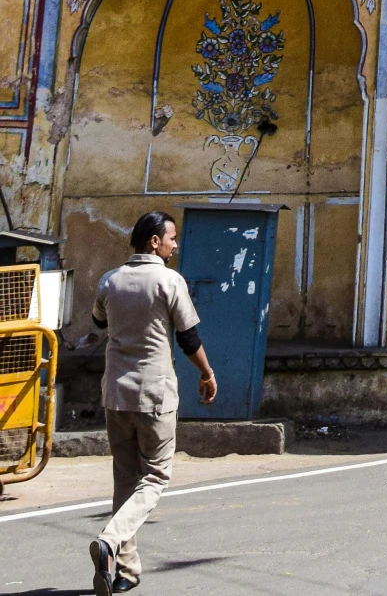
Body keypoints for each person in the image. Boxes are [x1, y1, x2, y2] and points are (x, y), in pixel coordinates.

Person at [88, 212, 217, 596]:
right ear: (153, 242)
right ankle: (111, 541)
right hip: (155, 395)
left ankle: (125, 571)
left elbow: (97, 323)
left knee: (125, 479)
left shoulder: (110, 280)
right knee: (157, 476)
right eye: (171, 238)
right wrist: (207, 374)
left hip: (115, 394)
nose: (175, 245)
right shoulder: (169, 280)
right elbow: (188, 338)